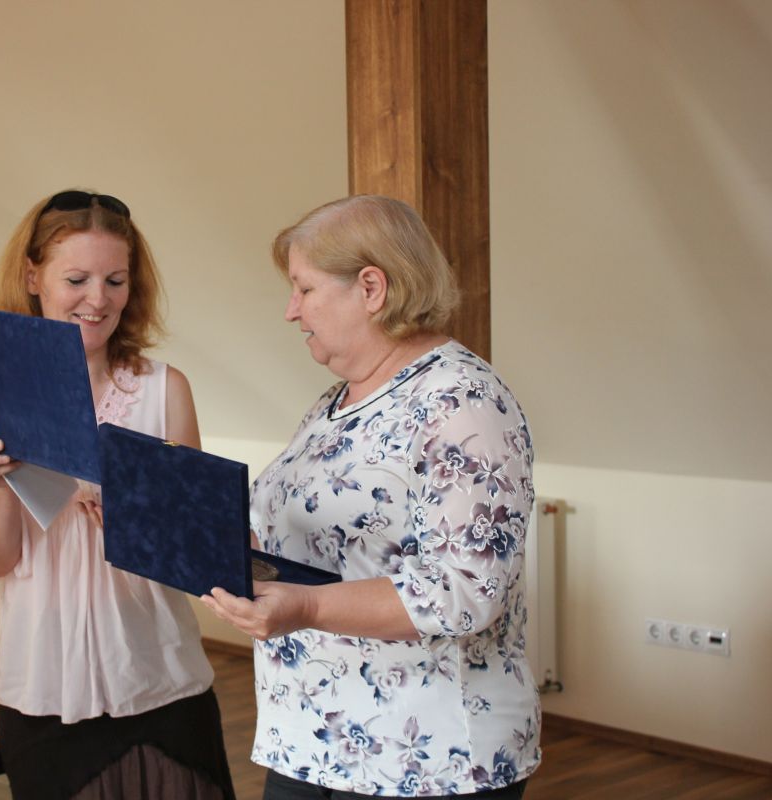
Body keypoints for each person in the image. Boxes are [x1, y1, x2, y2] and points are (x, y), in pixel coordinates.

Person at [202, 195, 540, 799]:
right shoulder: (336, 401)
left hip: (426, 760)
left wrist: (306, 607)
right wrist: (204, 537)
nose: (290, 310)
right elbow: (304, 538)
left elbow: (463, 592)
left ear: (371, 288)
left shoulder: (460, 402)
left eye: (304, 289)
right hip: (313, 742)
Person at [0, 190, 235, 800]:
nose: (98, 299)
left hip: (161, 682)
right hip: (44, 687)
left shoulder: (166, 390)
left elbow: (198, 556)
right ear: (33, 277)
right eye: (77, 279)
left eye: (115, 280)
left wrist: (137, 518)